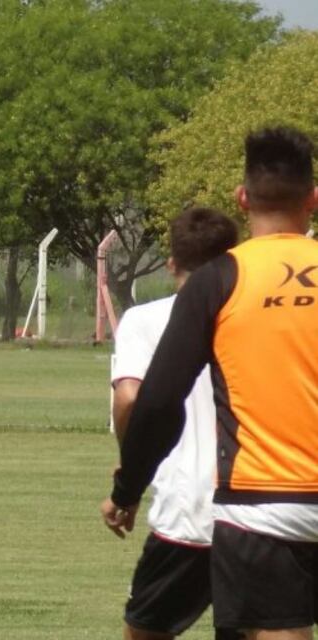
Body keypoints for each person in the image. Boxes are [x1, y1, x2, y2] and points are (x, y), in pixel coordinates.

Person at [102, 126, 318, 640]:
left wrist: (127, 488)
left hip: (264, 506)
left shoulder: (219, 279)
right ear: (314, 199)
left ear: (241, 199)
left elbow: (157, 402)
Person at [110, 207, 239, 640]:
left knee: (145, 633)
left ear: (170, 264)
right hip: (256, 507)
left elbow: (129, 399)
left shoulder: (144, 320)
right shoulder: (252, 319)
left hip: (187, 509)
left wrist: (131, 473)